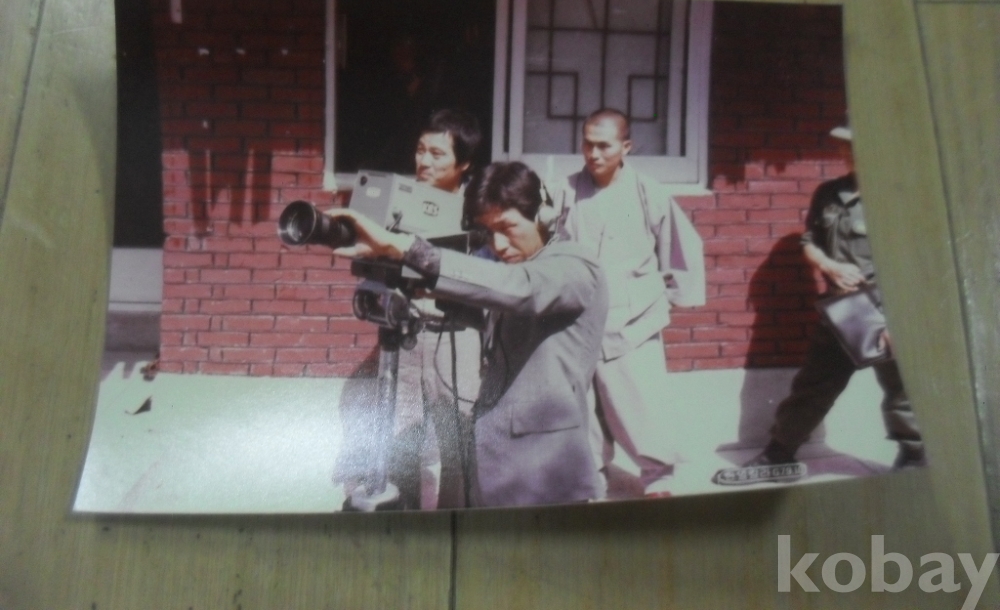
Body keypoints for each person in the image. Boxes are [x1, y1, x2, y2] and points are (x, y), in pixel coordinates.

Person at [330, 161, 609, 507]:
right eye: (488, 233)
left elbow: (521, 289)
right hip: (497, 470)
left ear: (543, 214)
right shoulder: (524, 270)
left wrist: (407, 250)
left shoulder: (576, 265)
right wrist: (430, 288)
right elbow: (506, 315)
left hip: (543, 477)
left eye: (507, 227)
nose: (498, 244)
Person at [713, 125, 924, 486]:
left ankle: (914, 458)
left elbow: (915, 261)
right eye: (843, 146)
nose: (847, 153)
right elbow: (809, 242)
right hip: (843, 311)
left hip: (885, 308)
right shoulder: (829, 193)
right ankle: (777, 454)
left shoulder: (900, 195)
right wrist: (829, 266)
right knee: (813, 385)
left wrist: (900, 319)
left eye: (855, 145)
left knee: (901, 388)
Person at [555, 108, 705, 497]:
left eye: (604, 146)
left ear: (626, 147)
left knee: (640, 401)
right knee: (584, 403)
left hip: (634, 317)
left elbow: (681, 247)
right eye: (587, 143)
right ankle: (592, 471)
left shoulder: (648, 191)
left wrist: (664, 299)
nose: (593, 153)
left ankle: (658, 476)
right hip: (580, 316)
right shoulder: (565, 191)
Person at [393, 109, 483, 508]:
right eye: (420, 150)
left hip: (457, 334)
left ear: (464, 164)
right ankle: (407, 521)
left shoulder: (478, 209)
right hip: (409, 334)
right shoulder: (401, 200)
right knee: (402, 436)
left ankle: (453, 526)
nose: (424, 161)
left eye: (437, 154)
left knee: (457, 441)